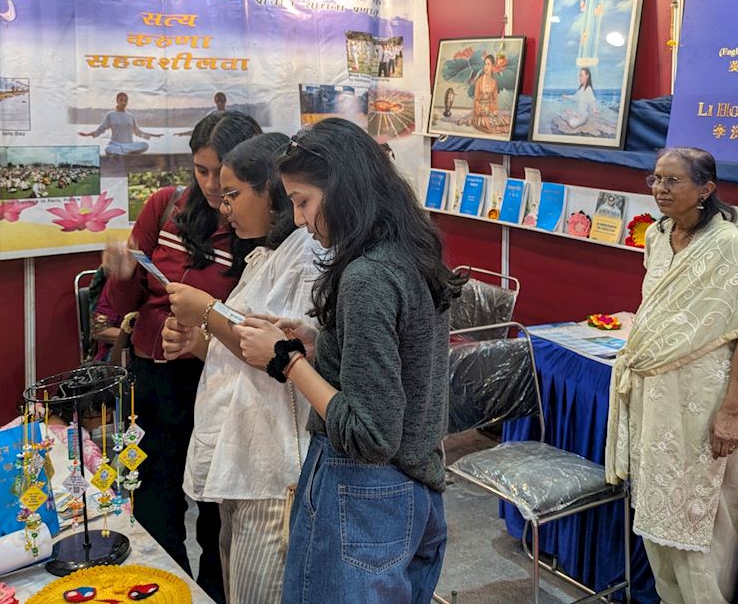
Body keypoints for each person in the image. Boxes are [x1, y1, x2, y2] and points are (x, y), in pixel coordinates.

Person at [232, 118, 463, 603]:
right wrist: (322, 345)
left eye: (303, 202)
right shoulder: (407, 253)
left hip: (362, 496)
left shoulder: (366, 276)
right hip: (414, 490)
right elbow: (401, 361)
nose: (299, 219)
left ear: (342, 189)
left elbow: (370, 434)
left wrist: (287, 361)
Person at [96, 111, 261, 599]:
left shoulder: (256, 227)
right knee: (154, 502)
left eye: (221, 174)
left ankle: (213, 592)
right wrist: (122, 273)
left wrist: (201, 331)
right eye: (200, 170)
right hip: (154, 380)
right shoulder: (165, 206)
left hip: (221, 384)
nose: (210, 185)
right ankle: (169, 590)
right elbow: (123, 305)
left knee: (217, 510)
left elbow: (256, 322)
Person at [161, 133, 322, 604]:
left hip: (270, 466)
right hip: (246, 457)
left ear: (270, 190)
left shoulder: (306, 255)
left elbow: (276, 353)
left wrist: (207, 311)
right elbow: (241, 354)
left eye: (232, 194)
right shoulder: (266, 255)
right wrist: (198, 341)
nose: (224, 205)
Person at [603, 148, 738, 603]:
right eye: (655, 179)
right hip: (655, 396)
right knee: (656, 508)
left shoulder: (726, 243)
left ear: (706, 189)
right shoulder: (657, 235)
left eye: (672, 181)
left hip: (703, 399)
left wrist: (730, 411)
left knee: (700, 515)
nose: (660, 189)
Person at [80, 92, 161, 155]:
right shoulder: (111, 115)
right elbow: (101, 129)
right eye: (121, 100)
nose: (123, 102)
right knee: (109, 149)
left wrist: (153, 135)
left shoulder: (130, 116)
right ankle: (127, 151)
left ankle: (124, 151)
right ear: (117, 101)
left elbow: (138, 132)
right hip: (116, 145)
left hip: (129, 145)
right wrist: (88, 134)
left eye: (125, 101)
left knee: (145, 145)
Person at [470, 54, 501, 133]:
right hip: (480, 112)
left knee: (500, 122)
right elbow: (476, 100)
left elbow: (494, 100)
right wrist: (480, 111)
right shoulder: (479, 81)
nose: (486, 67)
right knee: (485, 123)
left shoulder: (494, 82)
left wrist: (493, 111)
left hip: (490, 111)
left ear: (492, 66)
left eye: (488, 64)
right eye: (485, 64)